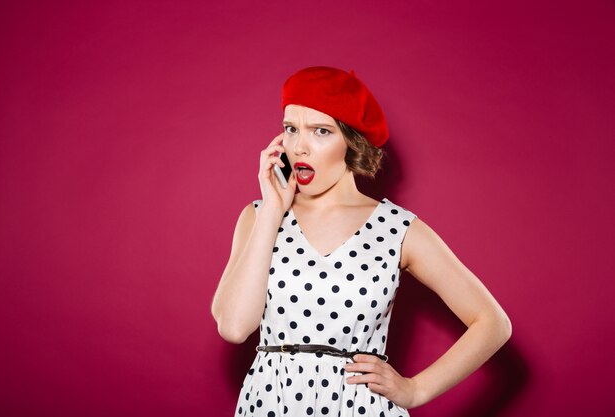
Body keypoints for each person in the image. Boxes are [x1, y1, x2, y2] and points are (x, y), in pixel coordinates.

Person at [211, 66, 512, 417]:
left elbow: (493, 323)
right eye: (291, 129)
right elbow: (233, 327)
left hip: (359, 408)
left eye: (321, 131)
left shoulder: (397, 228)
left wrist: (416, 390)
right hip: (271, 405)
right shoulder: (259, 215)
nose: (299, 146)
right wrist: (274, 211)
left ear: (351, 141)